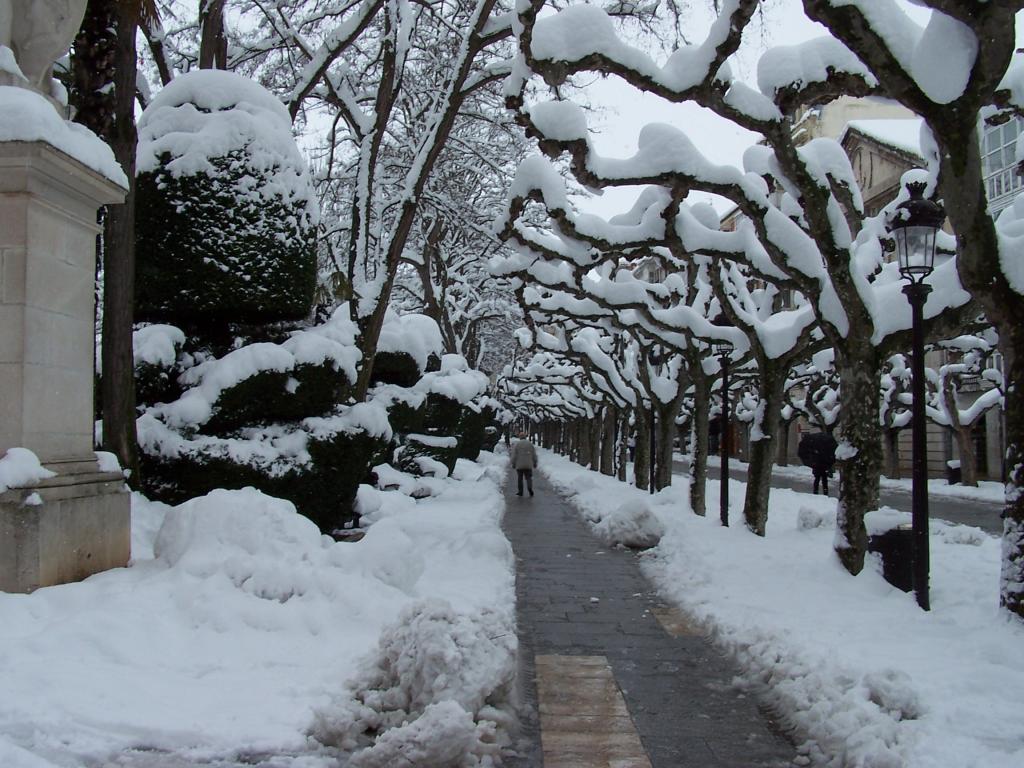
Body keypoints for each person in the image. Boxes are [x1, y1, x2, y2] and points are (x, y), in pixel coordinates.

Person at [798, 430, 838, 495]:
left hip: (817, 465)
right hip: (823, 465)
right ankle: (825, 491)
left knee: (817, 479)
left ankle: (816, 491)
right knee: (823, 480)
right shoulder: (824, 449)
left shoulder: (815, 449)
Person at [510, 431, 538, 497]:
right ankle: (530, 488)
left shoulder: (517, 444)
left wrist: (513, 463)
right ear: (525, 437)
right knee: (528, 478)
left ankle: (520, 492)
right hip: (528, 464)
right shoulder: (530, 444)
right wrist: (535, 462)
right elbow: (534, 454)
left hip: (519, 465)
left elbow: (514, 455)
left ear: (520, 437)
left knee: (520, 479)